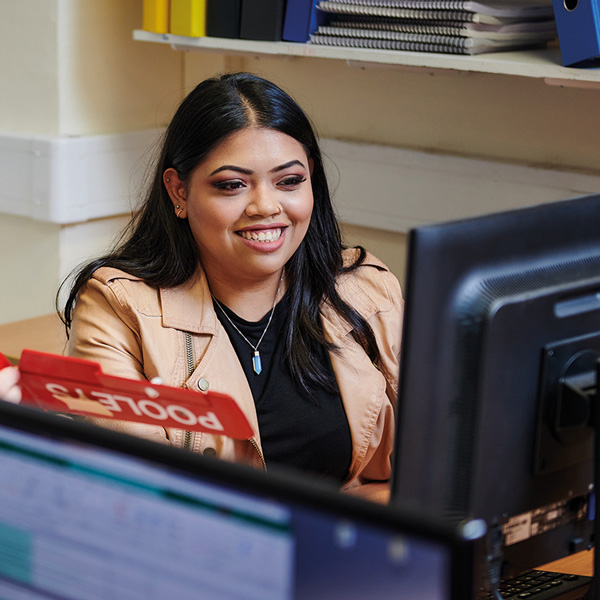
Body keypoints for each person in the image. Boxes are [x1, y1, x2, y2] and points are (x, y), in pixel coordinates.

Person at [54, 72, 404, 498]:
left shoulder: (363, 288)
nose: (266, 206)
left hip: (351, 552)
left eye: (289, 181)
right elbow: (138, 497)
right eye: (232, 185)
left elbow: (420, 472)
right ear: (178, 190)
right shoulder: (115, 306)